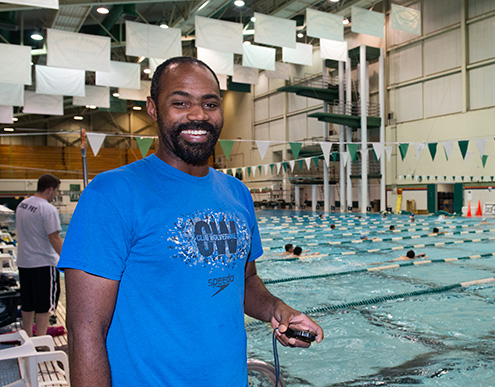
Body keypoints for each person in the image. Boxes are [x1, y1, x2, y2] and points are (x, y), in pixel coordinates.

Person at [58, 57, 323, 386]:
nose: (198, 115)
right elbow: (85, 330)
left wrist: (277, 310)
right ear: (153, 108)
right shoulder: (111, 194)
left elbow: (243, 281)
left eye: (210, 103)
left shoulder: (236, 194)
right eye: (180, 103)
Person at [16, 174, 63, 337]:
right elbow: (54, 237)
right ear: (49, 189)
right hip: (43, 262)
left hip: (24, 262)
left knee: (27, 303)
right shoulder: (48, 209)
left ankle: (27, 336)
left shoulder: (22, 205)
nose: (56, 195)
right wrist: (67, 259)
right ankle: (42, 340)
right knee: (44, 305)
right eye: (56, 191)